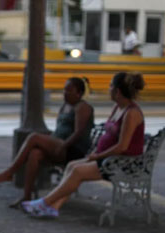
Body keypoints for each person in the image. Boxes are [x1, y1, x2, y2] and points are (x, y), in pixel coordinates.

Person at [22, 72, 145, 218]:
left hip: (121, 163)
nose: (108, 89)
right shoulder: (118, 108)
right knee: (71, 166)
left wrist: (97, 156)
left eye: (110, 86)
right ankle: (53, 207)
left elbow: (122, 146)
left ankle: (44, 202)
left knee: (77, 171)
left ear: (117, 91)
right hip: (106, 158)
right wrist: (97, 153)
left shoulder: (131, 113)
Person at [0, 77, 94, 208]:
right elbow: (59, 129)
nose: (65, 93)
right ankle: (26, 197)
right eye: (64, 90)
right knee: (34, 154)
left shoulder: (82, 107)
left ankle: (11, 172)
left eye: (69, 91)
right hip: (59, 145)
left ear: (79, 93)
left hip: (72, 149)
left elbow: (78, 132)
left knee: (34, 137)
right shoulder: (65, 106)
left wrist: (62, 145)